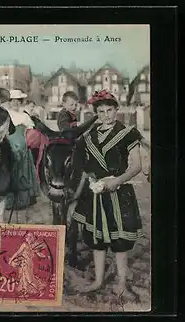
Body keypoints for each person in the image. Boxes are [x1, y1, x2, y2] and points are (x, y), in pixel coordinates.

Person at [71, 89, 144, 299]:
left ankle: (121, 283)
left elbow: (137, 165)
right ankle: (98, 280)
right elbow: (81, 164)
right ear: (96, 113)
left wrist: (117, 180)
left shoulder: (128, 133)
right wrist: (92, 179)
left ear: (117, 110)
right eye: (101, 112)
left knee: (119, 239)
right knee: (97, 238)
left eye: (109, 110)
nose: (106, 115)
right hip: (96, 193)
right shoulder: (88, 136)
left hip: (119, 192)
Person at [5, 90, 40, 209]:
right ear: (9, 102)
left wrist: (29, 141)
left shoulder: (25, 116)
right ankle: (9, 200)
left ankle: (23, 199)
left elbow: (31, 131)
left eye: (17, 101)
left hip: (23, 146)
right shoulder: (5, 114)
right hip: (9, 145)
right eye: (13, 101)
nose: (15, 103)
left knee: (23, 172)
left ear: (20, 102)